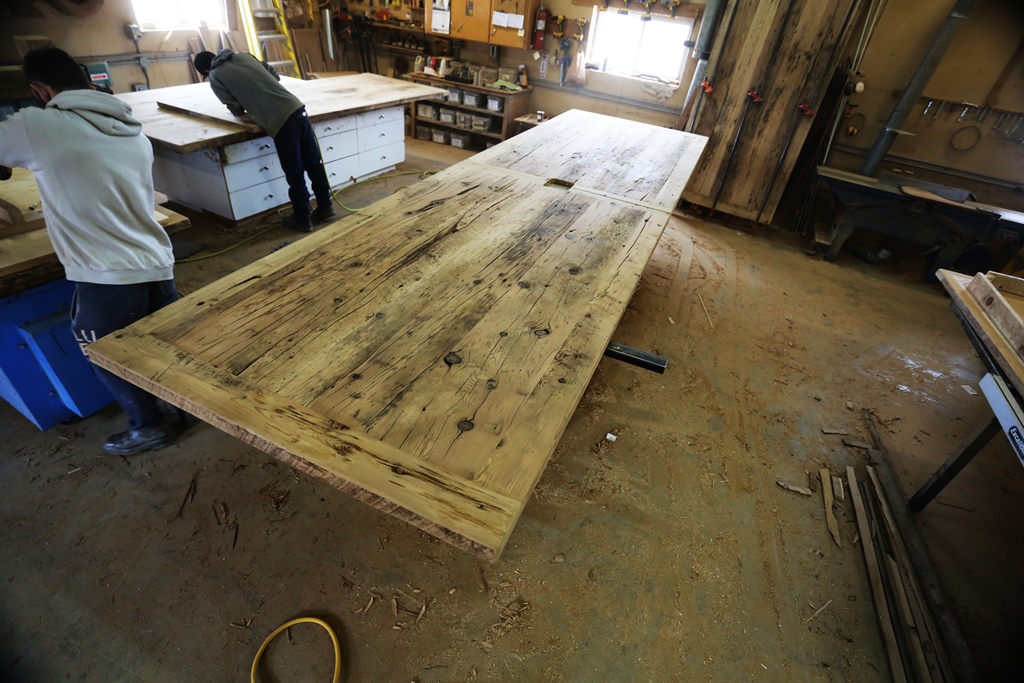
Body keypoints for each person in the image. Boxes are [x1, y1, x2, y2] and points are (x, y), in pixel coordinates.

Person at [0, 47, 188, 456]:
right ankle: (188, 409)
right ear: (85, 80)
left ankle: (149, 427)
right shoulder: (129, 126)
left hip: (107, 271)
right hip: (155, 257)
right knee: (166, 343)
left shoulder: (38, 124)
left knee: (106, 352)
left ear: (40, 90)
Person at [193, 49, 336, 232]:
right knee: (314, 164)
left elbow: (236, 108)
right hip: (297, 108)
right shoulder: (243, 55)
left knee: (295, 172)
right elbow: (274, 75)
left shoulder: (215, 76)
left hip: (280, 121)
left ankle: (303, 219)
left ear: (206, 70)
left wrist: (252, 102)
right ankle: (326, 208)